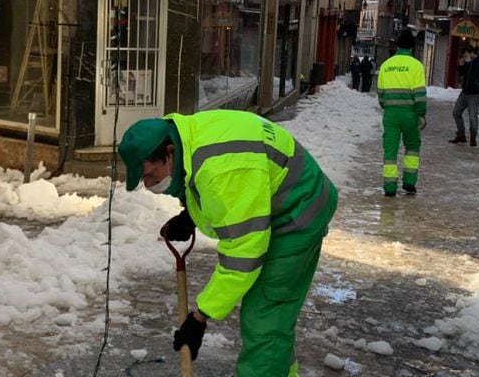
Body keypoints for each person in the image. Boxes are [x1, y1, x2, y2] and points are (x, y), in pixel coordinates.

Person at [118, 110, 338, 376]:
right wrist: (190, 213)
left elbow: (244, 254)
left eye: (150, 175)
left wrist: (199, 318)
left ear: (169, 152)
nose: (148, 183)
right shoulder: (186, 135)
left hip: (297, 212)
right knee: (271, 324)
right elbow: (195, 178)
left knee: (264, 317)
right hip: (272, 197)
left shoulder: (222, 170)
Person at [376, 31, 426, 197]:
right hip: (410, 114)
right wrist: (421, 114)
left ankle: (390, 187)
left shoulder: (386, 65)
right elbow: (419, 93)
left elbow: (381, 93)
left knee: (390, 150)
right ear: (412, 47)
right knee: (412, 147)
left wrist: (388, 107)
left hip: (390, 114)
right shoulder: (416, 65)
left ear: (397, 45)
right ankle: (409, 182)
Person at [450, 45, 479, 147]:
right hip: (464, 92)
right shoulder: (467, 62)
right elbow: (462, 73)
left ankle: (473, 139)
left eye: (466, 55)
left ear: (472, 53)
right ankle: (461, 135)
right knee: (456, 112)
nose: (465, 57)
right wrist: (461, 65)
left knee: (473, 117)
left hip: (475, 95)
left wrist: (478, 84)